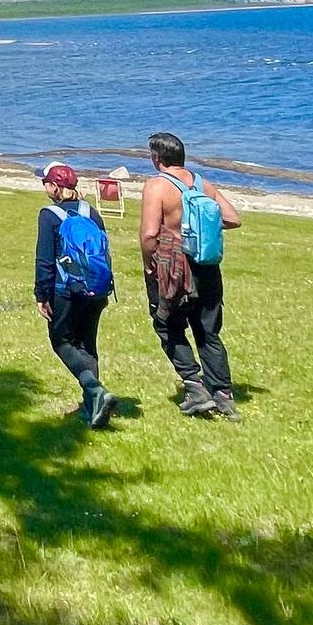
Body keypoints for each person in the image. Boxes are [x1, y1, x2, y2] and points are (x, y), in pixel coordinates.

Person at [139, 132, 243, 420]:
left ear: (157, 158)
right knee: (208, 331)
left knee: (168, 325)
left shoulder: (157, 186)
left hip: (174, 267)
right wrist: (202, 229)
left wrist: (149, 263)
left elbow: (149, 233)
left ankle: (195, 387)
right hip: (207, 268)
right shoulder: (203, 184)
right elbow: (233, 218)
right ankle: (223, 393)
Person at [35, 162, 117, 430]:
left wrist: (41, 294)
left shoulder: (49, 215)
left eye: (46, 182)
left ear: (55, 186)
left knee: (61, 341)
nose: (44, 186)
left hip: (65, 291)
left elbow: (45, 260)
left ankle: (94, 390)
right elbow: (104, 251)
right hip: (97, 289)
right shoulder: (90, 211)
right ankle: (91, 405)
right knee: (87, 344)